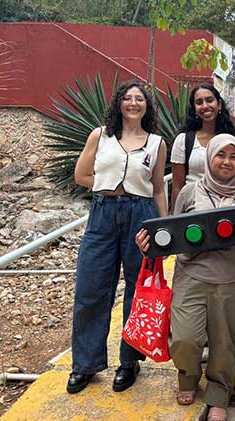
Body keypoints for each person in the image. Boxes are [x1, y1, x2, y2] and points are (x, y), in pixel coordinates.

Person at [135, 134, 235, 421]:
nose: (226, 162)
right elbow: (171, 234)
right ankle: (187, 376)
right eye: (220, 155)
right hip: (191, 274)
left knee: (223, 342)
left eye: (233, 157)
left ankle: (218, 393)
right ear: (209, 158)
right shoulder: (190, 192)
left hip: (232, 278)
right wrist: (149, 243)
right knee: (184, 338)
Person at [68, 80, 168, 394]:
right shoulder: (101, 136)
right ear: (119, 104)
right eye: (128, 98)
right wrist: (109, 184)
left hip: (141, 214)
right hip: (103, 213)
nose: (134, 103)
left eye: (140, 98)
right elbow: (81, 175)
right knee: (91, 287)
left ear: (147, 106)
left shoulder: (156, 143)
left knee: (137, 289)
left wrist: (163, 231)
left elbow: (159, 188)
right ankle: (85, 365)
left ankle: (129, 362)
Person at [170, 83, 235, 208]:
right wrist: (176, 219)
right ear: (194, 108)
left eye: (209, 100)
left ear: (219, 104)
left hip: (229, 210)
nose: (205, 106)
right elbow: (177, 186)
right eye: (199, 102)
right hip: (194, 210)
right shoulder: (183, 141)